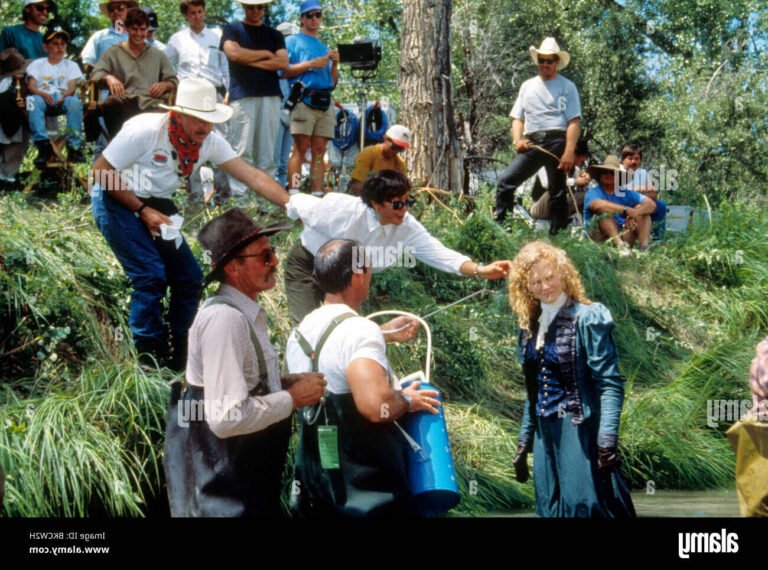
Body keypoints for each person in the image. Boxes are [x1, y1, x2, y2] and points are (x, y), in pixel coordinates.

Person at [90, 77, 290, 369]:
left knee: (189, 276)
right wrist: (141, 209)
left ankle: (182, 356)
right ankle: (148, 360)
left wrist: (293, 204)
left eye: (209, 121)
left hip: (156, 203)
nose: (204, 128)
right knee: (150, 275)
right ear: (178, 114)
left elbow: (252, 176)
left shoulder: (209, 141)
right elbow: (100, 172)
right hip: (116, 196)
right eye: (197, 120)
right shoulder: (145, 130)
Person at [164, 208, 327, 517]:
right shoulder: (225, 319)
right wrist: (291, 398)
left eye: (273, 253)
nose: (276, 262)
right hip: (224, 490)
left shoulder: (244, 314)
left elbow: (238, 383)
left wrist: (279, 384)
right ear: (234, 269)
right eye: (265, 257)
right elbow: (227, 417)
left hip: (241, 485)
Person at [286, 238, 440, 516]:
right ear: (358, 274)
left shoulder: (300, 331)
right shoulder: (359, 330)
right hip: (365, 488)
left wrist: (382, 333)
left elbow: (333, 355)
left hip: (317, 482)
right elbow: (373, 406)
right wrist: (407, 399)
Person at [284, 169, 512, 325]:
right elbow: (297, 202)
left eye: (408, 201)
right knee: (307, 329)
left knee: (345, 332)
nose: (404, 209)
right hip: (308, 264)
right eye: (397, 203)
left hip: (346, 281)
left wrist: (481, 270)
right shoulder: (343, 211)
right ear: (375, 203)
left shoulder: (407, 227)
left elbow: (439, 253)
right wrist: (300, 222)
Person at [507, 241, 636, 518]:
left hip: (579, 426)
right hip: (544, 430)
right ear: (526, 286)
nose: (545, 287)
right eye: (537, 281)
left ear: (563, 273)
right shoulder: (529, 327)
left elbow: (610, 384)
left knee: (584, 505)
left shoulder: (588, 318)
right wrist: (524, 439)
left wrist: (607, 438)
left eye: (550, 277)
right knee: (548, 507)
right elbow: (533, 391)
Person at [494, 37, 581, 235]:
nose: (545, 64)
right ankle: (502, 230)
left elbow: (574, 121)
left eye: (549, 60)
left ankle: (558, 237)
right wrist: (517, 140)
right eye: (541, 60)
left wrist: (569, 151)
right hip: (532, 143)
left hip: (557, 141)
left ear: (556, 62)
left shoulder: (567, 87)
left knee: (557, 192)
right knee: (505, 183)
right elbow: (517, 118)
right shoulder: (527, 86)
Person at [221, 0, 287, 194]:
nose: (256, 11)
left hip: (270, 96)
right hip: (242, 95)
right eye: (251, 7)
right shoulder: (232, 29)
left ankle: (264, 202)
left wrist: (247, 58)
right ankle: (240, 201)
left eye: (260, 7)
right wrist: (266, 54)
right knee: (242, 152)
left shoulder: (275, 34)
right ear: (243, 7)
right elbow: (233, 54)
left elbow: (282, 62)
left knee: (267, 155)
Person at [90, 7, 177, 138]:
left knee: (167, 113)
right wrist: (109, 78)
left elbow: (173, 80)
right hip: (125, 102)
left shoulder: (158, 55)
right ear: (127, 28)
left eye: (142, 29)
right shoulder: (113, 52)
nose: (138, 34)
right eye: (134, 29)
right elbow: (95, 73)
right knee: (111, 102)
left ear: (147, 29)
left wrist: (165, 85)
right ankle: (119, 145)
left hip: (152, 103)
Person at [284, 0, 339, 196]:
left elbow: (332, 83)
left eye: (318, 15)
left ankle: (317, 194)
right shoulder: (292, 41)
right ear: (301, 18)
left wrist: (334, 65)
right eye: (309, 15)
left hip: (325, 102)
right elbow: (283, 71)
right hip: (303, 100)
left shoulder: (324, 46)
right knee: (300, 149)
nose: (314, 19)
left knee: (319, 151)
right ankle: (295, 192)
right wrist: (310, 64)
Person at [0, 0, 51, 187]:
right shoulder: (11, 32)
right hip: (10, 84)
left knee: (24, 132)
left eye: (47, 8)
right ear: (27, 9)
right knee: (7, 129)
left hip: (36, 89)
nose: (44, 12)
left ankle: (9, 176)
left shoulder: (47, 39)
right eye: (40, 7)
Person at [26, 29, 85, 166]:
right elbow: (31, 86)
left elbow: (71, 87)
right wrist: (44, 94)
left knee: (74, 102)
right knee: (31, 100)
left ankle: (74, 146)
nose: (60, 47)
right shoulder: (37, 64)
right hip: (42, 98)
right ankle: (43, 145)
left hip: (64, 98)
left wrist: (63, 96)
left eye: (63, 44)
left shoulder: (71, 65)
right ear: (46, 47)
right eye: (55, 44)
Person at [583, 154, 656, 254]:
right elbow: (598, 205)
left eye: (612, 173)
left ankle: (644, 249)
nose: (608, 175)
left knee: (644, 213)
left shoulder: (625, 192)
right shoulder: (593, 192)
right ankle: (620, 247)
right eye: (604, 172)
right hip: (599, 238)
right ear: (600, 175)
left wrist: (635, 213)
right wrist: (627, 210)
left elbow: (651, 204)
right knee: (604, 213)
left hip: (624, 235)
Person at [529, 137, 590, 222]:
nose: (579, 163)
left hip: (559, 208)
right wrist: (575, 181)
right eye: (579, 160)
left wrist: (584, 181)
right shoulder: (546, 164)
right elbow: (547, 184)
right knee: (554, 190)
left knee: (586, 195)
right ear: (573, 155)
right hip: (540, 207)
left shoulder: (575, 170)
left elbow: (575, 192)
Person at [620, 143, 667, 241]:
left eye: (636, 158)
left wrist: (636, 190)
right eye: (630, 158)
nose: (633, 161)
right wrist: (643, 189)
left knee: (661, 205)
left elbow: (653, 194)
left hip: (642, 203)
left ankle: (658, 239)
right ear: (623, 160)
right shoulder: (618, 172)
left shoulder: (643, 173)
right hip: (624, 205)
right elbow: (622, 194)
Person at [346, 124, 410, 195]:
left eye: (400, 149)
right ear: (386, 139)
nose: (396, 151)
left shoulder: (400, 163)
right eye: (395, 147)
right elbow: (356, 185)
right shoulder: (368, 154)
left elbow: (404, 190)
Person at [273, 21, 299, 189]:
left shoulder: (298, 66)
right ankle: (269, 196)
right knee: (273, 162)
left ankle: (281, 194)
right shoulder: (274, 65)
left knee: (284, 161)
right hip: (276, 113)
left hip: (293, 114)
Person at [0, 48, 30, 189]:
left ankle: (8, 177)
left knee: (15, 149)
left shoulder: (22, 82)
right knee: (9, 147)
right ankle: (5, 177)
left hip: (17, 121)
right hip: (6, 121)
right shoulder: (6, 83)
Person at [80, 1, 137, 72]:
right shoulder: (98, 37)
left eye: (120, 8)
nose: (115, 11)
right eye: (111, 9)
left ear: (129, 10)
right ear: (109, 14)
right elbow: (87, 63)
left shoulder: (138, 37)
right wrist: (105, 77)